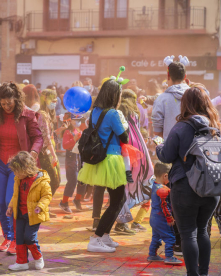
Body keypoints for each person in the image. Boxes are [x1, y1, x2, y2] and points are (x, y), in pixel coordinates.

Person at [156, 87, 221, 276]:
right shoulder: (214, 126)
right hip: (211, 188)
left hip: (185, 187)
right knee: (202, 231)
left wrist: (159, 145)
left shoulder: (181, 126)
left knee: (188, 233)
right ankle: (204, 273)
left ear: (185, 104)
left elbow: (167, 156)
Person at [0, 82, 43, 255]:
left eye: (9, 103)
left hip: (17, 166)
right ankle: (8, 237)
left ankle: (18, 240)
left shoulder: (28, 115)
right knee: (1, 203)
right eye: (2, 104)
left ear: (17, 100)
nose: (6, 107)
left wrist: (33, 152)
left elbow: (38, 137)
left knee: (13, 202)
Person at [77, 79, 128, 253]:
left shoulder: (95, 112)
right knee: (117, 200)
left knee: (116, 199)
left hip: (99, 158)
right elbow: (125, 137)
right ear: (115, 95)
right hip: (111, 159)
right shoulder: (113, 113)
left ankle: (105, 235)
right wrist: (125, 123)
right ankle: (97, 238)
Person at [114, 90, 154, 234]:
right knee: (133, 182)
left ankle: (121, 220)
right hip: (137, 149)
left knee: (125, 185)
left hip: (125, 149)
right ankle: (121, 222)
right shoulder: (134, 110)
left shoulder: (121, 109)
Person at [6, 152, 52, 271]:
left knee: (29, 238)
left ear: (26, 169)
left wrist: (40, 206)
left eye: (17, 171)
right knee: (19, 237)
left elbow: (47, 196)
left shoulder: (41, 180)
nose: (15, 174)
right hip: (20, 214)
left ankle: (38, 257)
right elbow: (15, 195)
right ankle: (22, 262)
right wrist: (10, 207)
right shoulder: (18, 179)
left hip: (34, 214)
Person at [147, 162, 182, 265]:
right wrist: (170, 218)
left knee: (156, 237)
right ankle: (169, 257)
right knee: (170, 237)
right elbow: (165, 207)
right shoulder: (163, 190)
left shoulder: (154, 186)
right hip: (161, 219)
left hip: (153, 218)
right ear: (165, 175)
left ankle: (152, 254)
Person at [36, 89, 61, 215]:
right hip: (44, 153)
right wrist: (54, 154)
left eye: (56, 101)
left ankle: (44, 206)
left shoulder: (47, 114)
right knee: (53, 181)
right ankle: (42, 207)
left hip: (49, 151)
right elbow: (45, 136)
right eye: (53, 100)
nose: (55, 103)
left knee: (55, 180)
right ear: (45, 99)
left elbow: (49, 135)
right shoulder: (42, 115)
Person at [151, 61, 189, 139]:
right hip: (193, 148)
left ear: (168, 77)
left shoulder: (161, 99)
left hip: (170, 147)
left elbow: (157, 131)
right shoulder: (196, 96)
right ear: (185, 77)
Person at [59, 114, 86, 213]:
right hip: (71, 157)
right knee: (72, 180)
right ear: (71, 120)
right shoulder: (68, 131)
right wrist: (74, 139)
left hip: (79, 157)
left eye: (79, 119)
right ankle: (64, 202)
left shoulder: (79, 130)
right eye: (76, 120)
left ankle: (77, 199)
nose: (78, 121)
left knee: (83, 179)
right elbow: (65, 145)